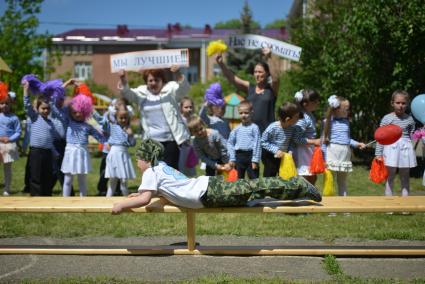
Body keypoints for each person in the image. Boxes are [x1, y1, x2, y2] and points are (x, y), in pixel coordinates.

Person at [111, 139, 321, 213]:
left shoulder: (149, 172)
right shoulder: (161, 167)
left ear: (145, 158)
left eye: (137, 158)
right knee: (254, 188)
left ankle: (299, 185)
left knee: (255, 188)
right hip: (207, 187)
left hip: (207, 194)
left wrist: (121, 205)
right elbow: (164, 190)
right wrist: (136, 196)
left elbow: (145, 198)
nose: (136, 163)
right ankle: (297, 187)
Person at [117, 66, 190, 170]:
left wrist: (177, 73)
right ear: (146, 82)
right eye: (150, 80)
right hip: (151, 142)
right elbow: (126, 93)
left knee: (171, 174)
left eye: (156, 80)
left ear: (162, 81)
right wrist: (123, 78)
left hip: (170, 141)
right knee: (153, 174)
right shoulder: (141, 94)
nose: (153, 83)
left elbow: (184, 89)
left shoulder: (170, 91)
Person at [215, 48, 279, 134]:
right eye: (255, 72)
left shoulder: (271, 89)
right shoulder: (250, 87)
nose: (257, 75)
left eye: (260, 72)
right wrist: (221, 64)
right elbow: (233, 79)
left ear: (267, 74)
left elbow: (275, 79)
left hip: (267, 135)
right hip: (250, 134)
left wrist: (269, 57)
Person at [61, 94, 106, 197]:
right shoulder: (68, 122)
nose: (77, 114)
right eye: (74, 112)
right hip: (70, 153)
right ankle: (65, 201)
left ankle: (83, 200)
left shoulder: (88, 126)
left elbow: (100, 137)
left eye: (80, 111)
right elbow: (59, 109)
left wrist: (107, 142)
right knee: (68, 179)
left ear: (85, 111)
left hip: (82, 154)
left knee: (82, 180)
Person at [321, 95, 366, 197]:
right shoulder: (327, 122)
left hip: (344, 153)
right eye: (346, 109)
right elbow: (323, 141)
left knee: (342, 182)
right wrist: (324, 158)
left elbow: (347, 139)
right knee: (330, 180)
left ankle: (344, 206)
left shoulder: (346, 122)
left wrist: (357, 144)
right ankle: (331, 209)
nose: (348, 111)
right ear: (337, 109)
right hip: (332, 153)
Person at [375, 90, 416, 196]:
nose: (401, 105)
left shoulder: (410, 119)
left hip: (405, 150)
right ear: (392, 103)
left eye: (403, 103)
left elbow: (411, 135)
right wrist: (378, 154)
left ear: (407, 104)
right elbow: (381, 137)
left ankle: (405, 206)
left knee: (405, 176)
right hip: (391, 149)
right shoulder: (387, 118)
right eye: (398, 103)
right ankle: (389, 204)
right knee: (390, 176)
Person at [22, 81, 57, 196]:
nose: (46, 110)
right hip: (36, 152)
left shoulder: (51, 123)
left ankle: (47, 195)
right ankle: (36, 196)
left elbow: (50, 141)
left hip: (47, 152)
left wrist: (54, 152)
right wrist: (26, 91)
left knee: (48, 175)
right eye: (43, 108)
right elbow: (27, 105)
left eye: (47, 108)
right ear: (37, 109)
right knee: (36, 175)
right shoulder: (35, 117)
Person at [261, 102, 300, 177]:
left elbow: (291, 141)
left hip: (283, 156)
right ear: (288, 119)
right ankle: (268, 188)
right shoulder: (273, 127)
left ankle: (280, 188)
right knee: (269, 176)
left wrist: (290, 151)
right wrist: (276, 150)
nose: (298, 119)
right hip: (270, 156)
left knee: (283, 175)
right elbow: (263, 141)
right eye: (296, 117)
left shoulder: (292, 128)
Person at [105, 104, 136, 197]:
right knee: (112, 181)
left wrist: (130, 135)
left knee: (124, 181)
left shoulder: (128, 129)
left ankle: (126, 200)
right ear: (116, 118)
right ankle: (107, 201)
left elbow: (132, 144)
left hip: (124, 156)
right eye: (121, 118)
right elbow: (107, 117)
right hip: (114, 155)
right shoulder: (113, 126)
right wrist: (112, 110)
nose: (123, 120)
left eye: (125, 118)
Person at [292, 90, 321, 184]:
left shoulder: (309, 115)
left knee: (312, 178)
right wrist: (314, 141)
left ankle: (306, 195)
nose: (318, 103)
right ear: (305, 104)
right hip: (302, 153)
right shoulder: (302, 118)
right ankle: (301, 197)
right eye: (315, 102)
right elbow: (296, 139)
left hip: (308, 151)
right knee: (305, 177)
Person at [227, 100, 261, 179]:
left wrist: (255, 160)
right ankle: (241, 191)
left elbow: (257, 144)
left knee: (254, 177)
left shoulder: (254, 128)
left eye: (246, 113)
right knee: (239, 178)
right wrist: (232, 158)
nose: (243, 115)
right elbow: (230, 143)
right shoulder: (236, 129)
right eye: (241, 113)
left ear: (251, 112)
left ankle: (256, 190)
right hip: (239, 156)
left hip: (251, 155)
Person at [0, 93, 21, 196]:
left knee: (7, 168)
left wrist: (10, 139)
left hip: (8, 146)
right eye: (2, 103)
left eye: (7, 103)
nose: (4, 105)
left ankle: (7, 189)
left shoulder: (14, 118)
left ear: (11, 104)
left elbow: (18, 132)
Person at [178, 96, 197, 177]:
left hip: (190, 146)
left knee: (190, 166)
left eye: (190, 107)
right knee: (181, 166)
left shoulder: (193, 118)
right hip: (181, 146)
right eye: (186, 107)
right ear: (181, 108)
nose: (189, 109)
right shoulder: (179, 119)